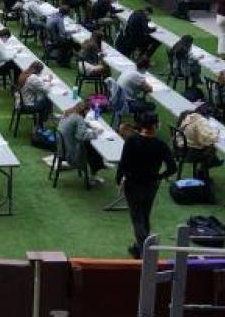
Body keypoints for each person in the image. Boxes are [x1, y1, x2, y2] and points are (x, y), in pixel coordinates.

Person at [116, 112, 177, 257]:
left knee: (137, 217)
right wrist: (159, 176)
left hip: (133, 184)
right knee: (145, 215)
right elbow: (173, 168)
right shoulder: (160, 144)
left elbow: (123, 163)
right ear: (156, 125)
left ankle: (145, 251)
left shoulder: (131, 141)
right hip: (151, 185)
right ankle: (140, 247)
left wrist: (118, 179)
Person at [58, 100, 106, 182]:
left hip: (61, 149)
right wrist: (96, 133)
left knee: (90, 146)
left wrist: (89, 126)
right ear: (85, 111)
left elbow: (77, 126)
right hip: (71, 152)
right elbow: (81, 136)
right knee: (92, 148)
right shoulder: (78, 119)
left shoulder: (68, 114)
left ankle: (99, 165)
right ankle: (94, 173)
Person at [14, 61, 52, 128]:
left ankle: (43, 120)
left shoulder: (25, 73)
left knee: (44, 101)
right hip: (27, 106)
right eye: (40, 71)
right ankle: (41, 123)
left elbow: (38, 82)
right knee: (47, 101)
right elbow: (46, 90)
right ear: (37, 71)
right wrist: (49, 81)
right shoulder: (33, 78)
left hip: (20, 102)